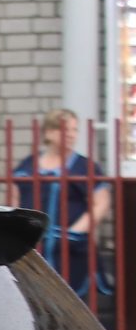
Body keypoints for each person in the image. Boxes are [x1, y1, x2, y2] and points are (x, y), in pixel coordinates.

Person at [15, 109, 111, 304]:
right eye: (64, 129)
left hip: (72, 251)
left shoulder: (84, 167)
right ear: (49, 132)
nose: (71, 134)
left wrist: (75, 232)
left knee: (74, 307)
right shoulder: (28, 165)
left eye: (74, 130)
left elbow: (101, 202)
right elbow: (15, 199)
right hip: (35, 247)